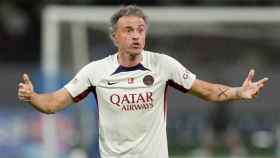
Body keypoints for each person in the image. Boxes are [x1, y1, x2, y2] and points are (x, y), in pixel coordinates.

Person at [18, 5, 268, 158]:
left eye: (140, 29)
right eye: (128, 30)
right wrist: (33, 97)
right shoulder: (95, 71)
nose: (136, 35)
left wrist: (238, 91)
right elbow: (52, 104)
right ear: (115, 37)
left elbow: (206, 90)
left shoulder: (163, 64)